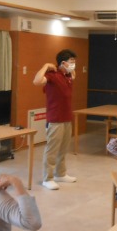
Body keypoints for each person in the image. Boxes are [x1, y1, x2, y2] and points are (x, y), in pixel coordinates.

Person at [33, 49, 78, 190]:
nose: (74, 65)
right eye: (71, 62)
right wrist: (46, 66)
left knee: (63, 149)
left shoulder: (68, 76)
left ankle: (60, 174)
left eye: (74, 62)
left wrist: (69, 69)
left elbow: (74, 74)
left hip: (67, 118)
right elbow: (36, 81)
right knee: (52, 150)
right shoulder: (52, 75)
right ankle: (47, 178)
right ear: (63, 63)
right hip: (55, 119)